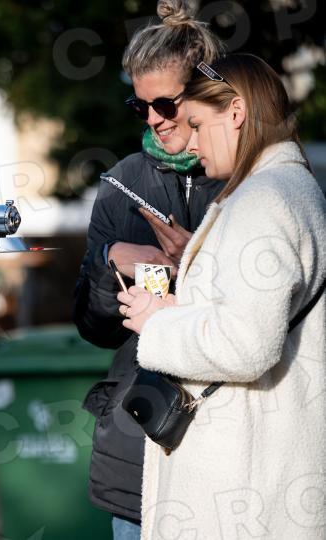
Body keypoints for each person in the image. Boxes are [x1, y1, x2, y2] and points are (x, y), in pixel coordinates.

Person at [119, 54, 326, 539]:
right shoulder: (295, 189)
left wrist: (157, 323)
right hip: (268, 465)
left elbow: (247, 344)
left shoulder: (264, 201)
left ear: (236, 112)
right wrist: (177, 311)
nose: (190, 143)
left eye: (196, 124)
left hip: (240, 484)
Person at [72, 1, 224, 537]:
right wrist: (108, 262)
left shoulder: (249, 178)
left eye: (165, 103)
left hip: (229, 441)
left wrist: (192, 265)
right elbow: (93, 329)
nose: (154, 119)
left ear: (206, 91)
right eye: (140, 106)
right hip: (141, 441)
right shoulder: (121, 185)